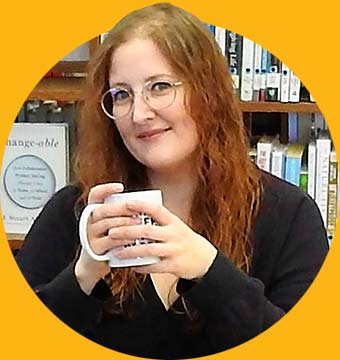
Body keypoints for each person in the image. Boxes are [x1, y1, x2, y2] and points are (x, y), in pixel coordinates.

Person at [15, 3, 329, 359]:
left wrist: (209, 272)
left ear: (207, 92)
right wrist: (84, 274)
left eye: (160, 87)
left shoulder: (289, 216)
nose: (139, 114)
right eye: (121, 94)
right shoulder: (74, 212)